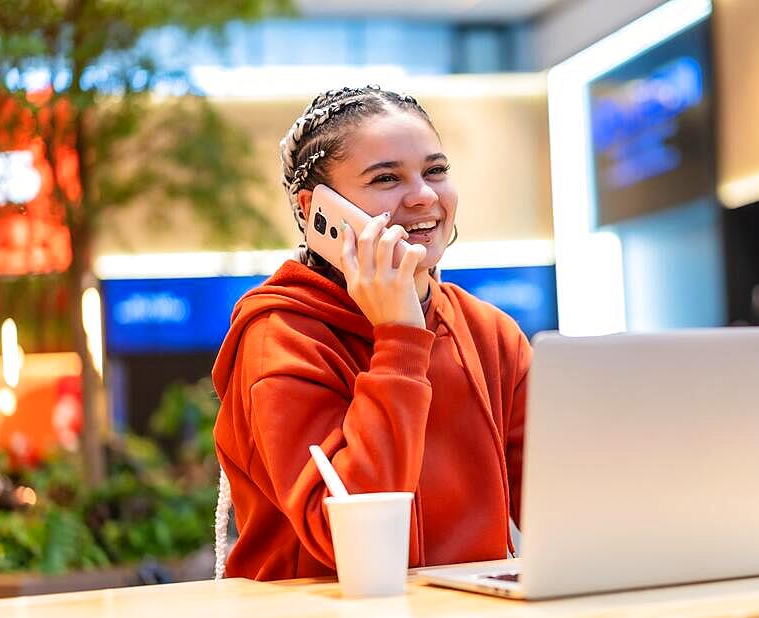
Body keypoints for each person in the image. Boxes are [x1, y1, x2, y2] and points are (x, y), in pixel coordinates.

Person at [211, 86, 532, 581]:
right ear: (316, 209)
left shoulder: (491, 333)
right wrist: (400, 338)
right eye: (386, 178)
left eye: (435, 171)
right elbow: (352, 545)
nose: (424, 195)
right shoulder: (279, 338)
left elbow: (565, 511)